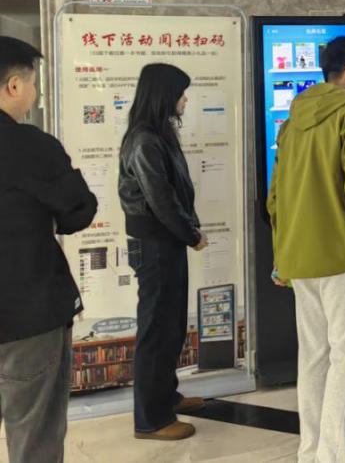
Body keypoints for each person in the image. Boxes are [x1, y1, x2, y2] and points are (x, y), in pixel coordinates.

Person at [268, 37, 345, 462]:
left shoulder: (294, 118)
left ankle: (311, 450)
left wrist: (282, 255)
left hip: (299, 257)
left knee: (314, 357)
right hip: (343, 255)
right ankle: (335, 454)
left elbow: (275, 196)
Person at [0, 37, 98, 463]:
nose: (34, 94)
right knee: (34, 436)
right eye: (33, 84)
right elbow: (79, 209)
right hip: (27, 314)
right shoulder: (29, 145)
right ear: (14, 86)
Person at [118, 64, 207, 440]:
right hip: (155, 243)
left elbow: (177, 189)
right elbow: (161, 200)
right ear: (164, 95)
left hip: (167, 241)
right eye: (180, 93)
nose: (185, 100)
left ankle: (166, 397)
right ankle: (151, 420)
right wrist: (190, 234)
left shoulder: (159, 134)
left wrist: (189, 230)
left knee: (171, 324)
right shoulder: (144, 140)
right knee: (156, 329)